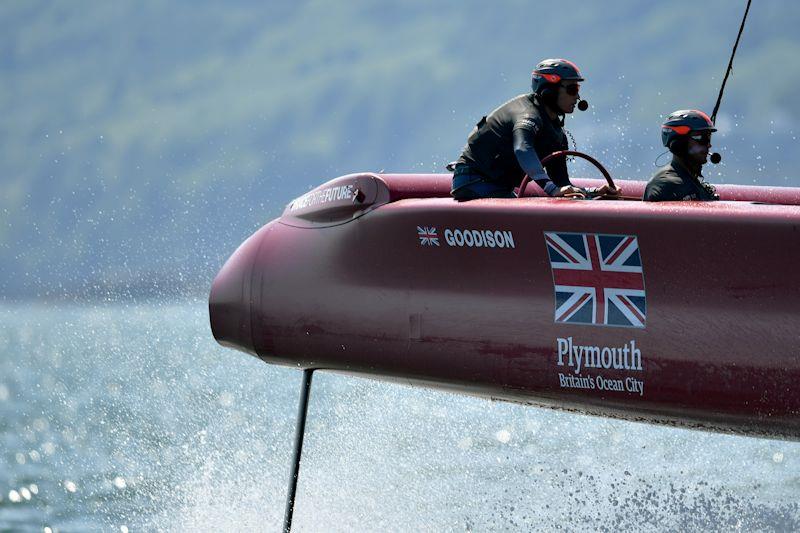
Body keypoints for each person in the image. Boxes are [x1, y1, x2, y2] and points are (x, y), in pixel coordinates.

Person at [450, 58, 619, 200]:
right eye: (572, 89)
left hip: (498, 187)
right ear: (550, 90)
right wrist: (551, 190)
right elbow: (523, 149)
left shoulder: (557, 134)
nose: (577, 97)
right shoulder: (527, 114)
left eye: (578, 89)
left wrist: (595, 193)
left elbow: (562, 184)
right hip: (473, 181)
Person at [643, 109, 719, 202]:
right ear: (679, 144)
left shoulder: (692, 182)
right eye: (702, 138)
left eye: (708, 138)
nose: (709, 145)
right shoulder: (665, 185)